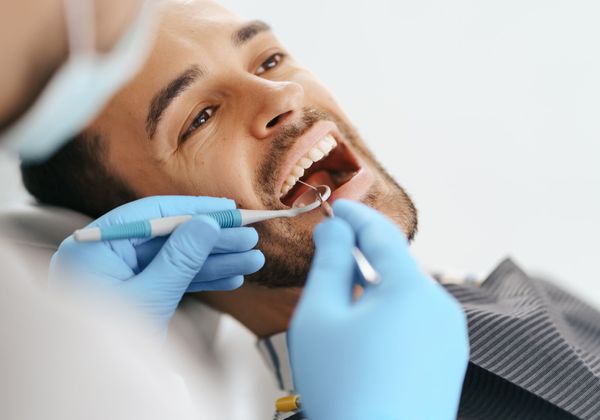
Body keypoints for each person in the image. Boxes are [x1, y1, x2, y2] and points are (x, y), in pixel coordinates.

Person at [20, 0, 600, 418]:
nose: (281, 96)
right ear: (163, 225)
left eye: (269, 60)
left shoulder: (537, 297)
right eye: (199, 118)